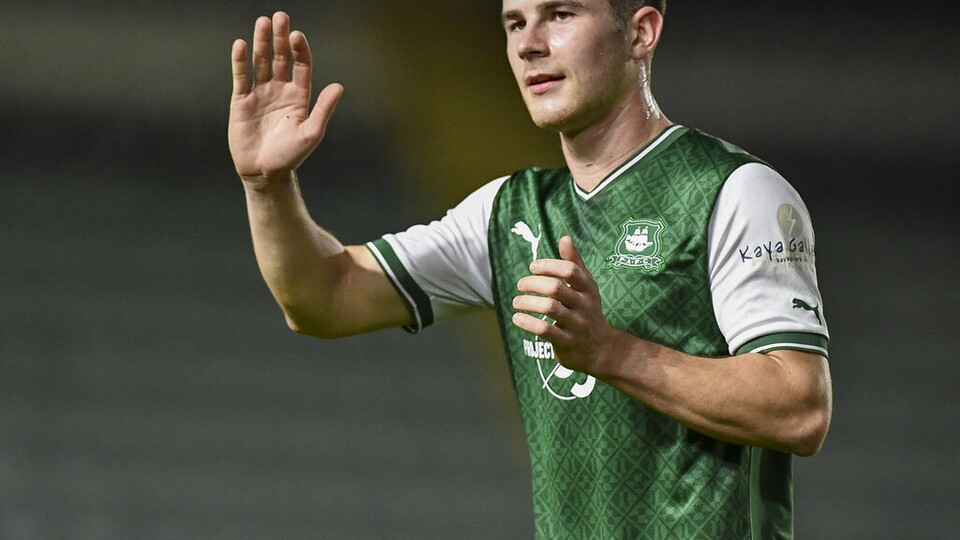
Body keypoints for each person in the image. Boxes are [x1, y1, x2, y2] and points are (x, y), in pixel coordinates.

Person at [228, 2, 832, 538]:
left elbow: (799, 408)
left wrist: (609, 352)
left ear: (640, 32)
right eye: (514, 23)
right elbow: (325, 297)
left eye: (560, 15)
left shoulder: (733, 191)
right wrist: (267, 186)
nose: (528, 44)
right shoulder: (509, 213)